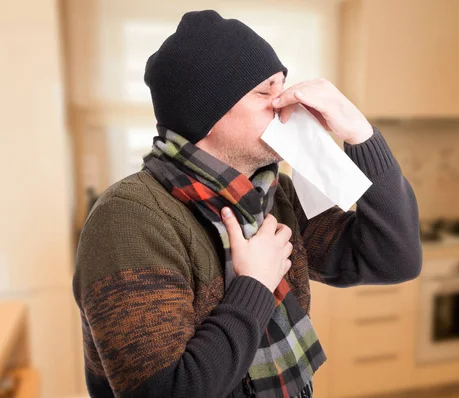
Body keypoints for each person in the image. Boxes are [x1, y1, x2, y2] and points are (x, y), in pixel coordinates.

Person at [72, 10, 422, 398]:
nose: (286, 103)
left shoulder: (276, 194)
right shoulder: (128, 219)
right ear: (206, 111)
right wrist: (255, 285)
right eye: (265, 91)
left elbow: (395, 258)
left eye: (282, 85)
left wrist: (360, 134)